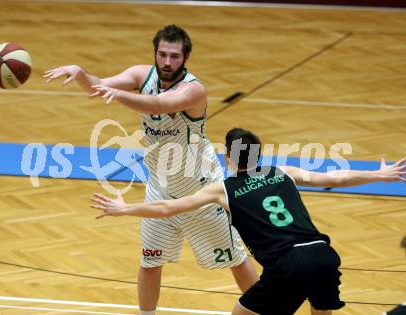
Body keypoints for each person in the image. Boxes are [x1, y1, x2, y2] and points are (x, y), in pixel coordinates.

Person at [44, 25, 257, 315]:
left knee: (235, 258)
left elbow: (157, 104)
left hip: (201, 189)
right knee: (150, 261)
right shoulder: (141, 75)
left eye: (175, 56)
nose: (167, 62)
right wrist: (81, 73)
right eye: (162, 54)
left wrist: (116, 95)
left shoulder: (194, 90)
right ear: (155, 53)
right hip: (160, 183)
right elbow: (99, 85)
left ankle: (266, 309)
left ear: (187, 57)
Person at [91, 128, 406, 315]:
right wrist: (380, 174)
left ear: (228, 157)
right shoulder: (282, 171)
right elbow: (335, 178)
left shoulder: (223, 189)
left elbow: (168, 208)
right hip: (323, 254)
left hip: (287, 263)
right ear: (258, 154)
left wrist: (124, 208)